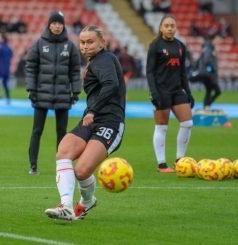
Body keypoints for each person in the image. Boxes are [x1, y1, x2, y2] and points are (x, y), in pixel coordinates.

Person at [44, 25, 126, 220]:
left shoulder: (105, 59)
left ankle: (86, 201)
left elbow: (111, 84)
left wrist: (92, 110)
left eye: (90, 42)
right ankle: (66, 205)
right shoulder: (96, 61)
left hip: (110, 122)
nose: (85, 46)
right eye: (82, 42)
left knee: (81, 171)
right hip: (92, 119)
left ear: (102, 43)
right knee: (64, 150)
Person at [26, 11, 81, 175]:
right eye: (54, 23)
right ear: (49, 25)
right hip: (41, 94)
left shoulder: (70, 46)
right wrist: (31, 89)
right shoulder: (39, 44)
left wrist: (76, 91)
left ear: (63, 25)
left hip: (63, 95)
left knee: (62, 133)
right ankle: (33, 166)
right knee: (37, 131)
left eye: (60, 23)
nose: (57, 26)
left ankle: (61, 166)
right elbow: (31, 67)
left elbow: (75, 71)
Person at [146, 14, 194, 173]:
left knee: (187, 124)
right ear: (161, 28)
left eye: (172, 26)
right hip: (161, 91)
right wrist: (154, 93)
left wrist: (188, 92)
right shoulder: (155, 45)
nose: (169, 28)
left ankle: (180, 160)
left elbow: (183, 72)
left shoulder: (181, 46)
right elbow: (150, 72)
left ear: (176, 28)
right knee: (161, 128)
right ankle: (162, 164)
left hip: (177, 90)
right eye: (166, 25)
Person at [190, 36, 220, 109]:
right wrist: (211, 70)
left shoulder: (207, 47)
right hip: (209, 75)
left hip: (206, 74)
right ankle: (207, 105)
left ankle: (206, 106)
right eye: (217, 39)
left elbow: (201, 60)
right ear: (213, 39)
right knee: (217, 91)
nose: (218, 41)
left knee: (209, 91)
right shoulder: (209, 48)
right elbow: (207, 60)